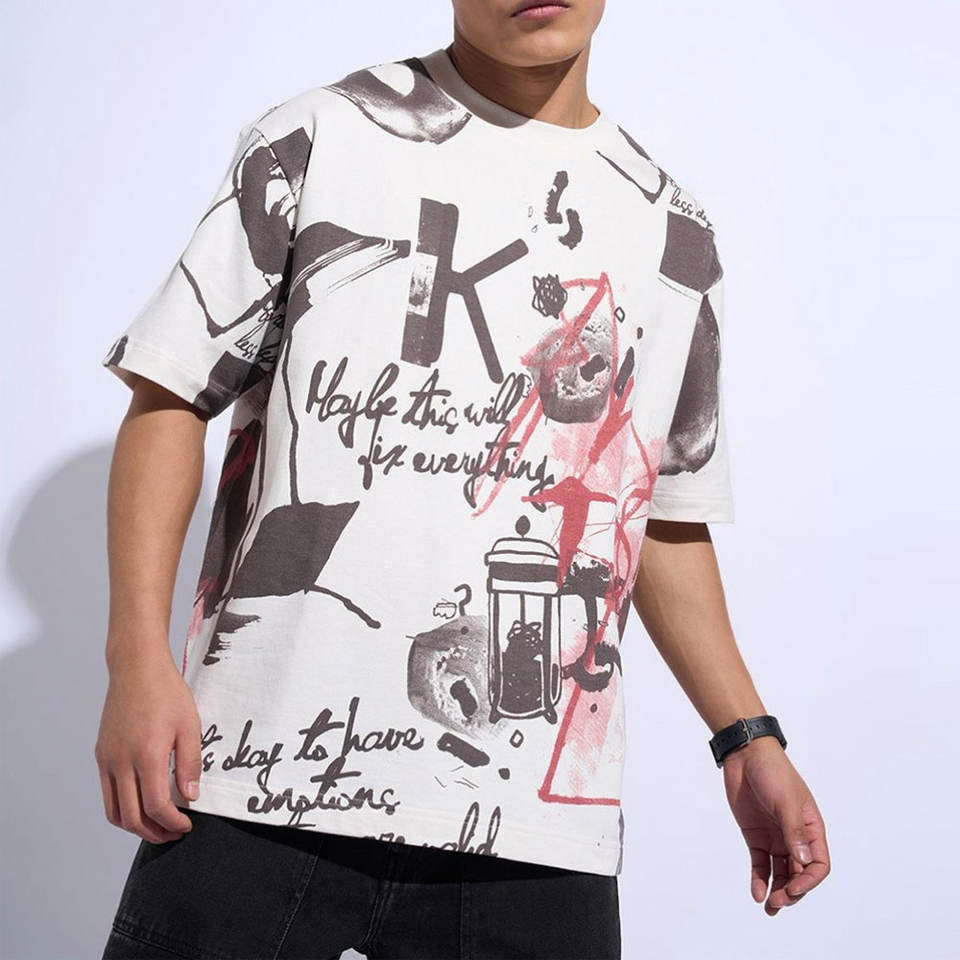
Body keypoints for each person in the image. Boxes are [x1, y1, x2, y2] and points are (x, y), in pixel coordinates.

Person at [95, 1, 831, 957]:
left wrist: (747, 735)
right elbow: (170, 394)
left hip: (527, 834)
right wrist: (135, 660)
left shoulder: (670, 230)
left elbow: (653, 511)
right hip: (254, 778)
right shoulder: (317, 138)